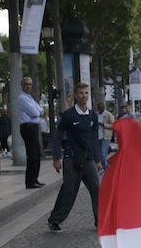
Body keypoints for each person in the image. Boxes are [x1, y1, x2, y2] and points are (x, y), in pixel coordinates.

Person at [47, 82, 102, 232]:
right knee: (69, 191)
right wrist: (56, 158)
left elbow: (94, 139)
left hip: (88, 158)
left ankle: (100, 221)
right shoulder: (69, 115)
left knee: (97, 188)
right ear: (76, 95)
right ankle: (55, 220)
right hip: (71, 158)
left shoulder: (92, 116)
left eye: (86, 93)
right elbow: (58, 135)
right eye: (81, 93)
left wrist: (98, 160)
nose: (84, 96)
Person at [18, 75, 45, 189]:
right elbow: (35, 113)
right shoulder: (23, 98)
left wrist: (37, 112)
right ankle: (30, 181)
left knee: (37, 154)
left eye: (30, 84)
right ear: (22, 85)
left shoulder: (30, 98)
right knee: (32, 154)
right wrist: (36, 112)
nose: (28, 86)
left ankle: (35, 179)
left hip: (33, 127)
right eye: (26, 84)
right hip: (28, 127)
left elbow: (41, 110)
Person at [97, 102, 114, 172]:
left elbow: (113, 125)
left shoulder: (108, 115)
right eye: (99, 109)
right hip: (98, 136)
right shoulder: (96, 114)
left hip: (106, 136)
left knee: (104, 153)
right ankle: (102, 167)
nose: (100, 110)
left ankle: (105, 168)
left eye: (101, 108)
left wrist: (104, 125)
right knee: (99, 153)